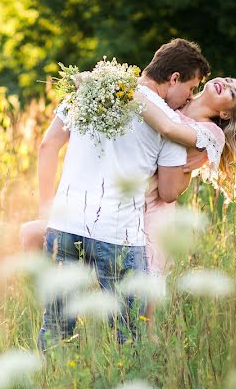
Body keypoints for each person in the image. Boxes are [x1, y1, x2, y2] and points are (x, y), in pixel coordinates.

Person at [23, 70, 236, 345]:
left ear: (226, 115)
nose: (226, 84)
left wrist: (119, 88)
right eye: (229, 80)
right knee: (39, 236)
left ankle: (149, 362)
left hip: (153, 208)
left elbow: (169, 178)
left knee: (141, 311)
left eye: (232, 92)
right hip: (124, 200)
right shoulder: (174, 100)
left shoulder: (209, 133)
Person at [33, 38, 207, 351]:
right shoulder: (166, 121)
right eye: (190, 89)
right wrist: (194, 165)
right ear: (174, 79)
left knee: (55, 332)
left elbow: (48, 147)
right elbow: (168, 192)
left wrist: (47, 209)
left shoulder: (92, 88)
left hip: (63, 227)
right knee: (131, 341)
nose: (189, 98)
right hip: (118, 236)